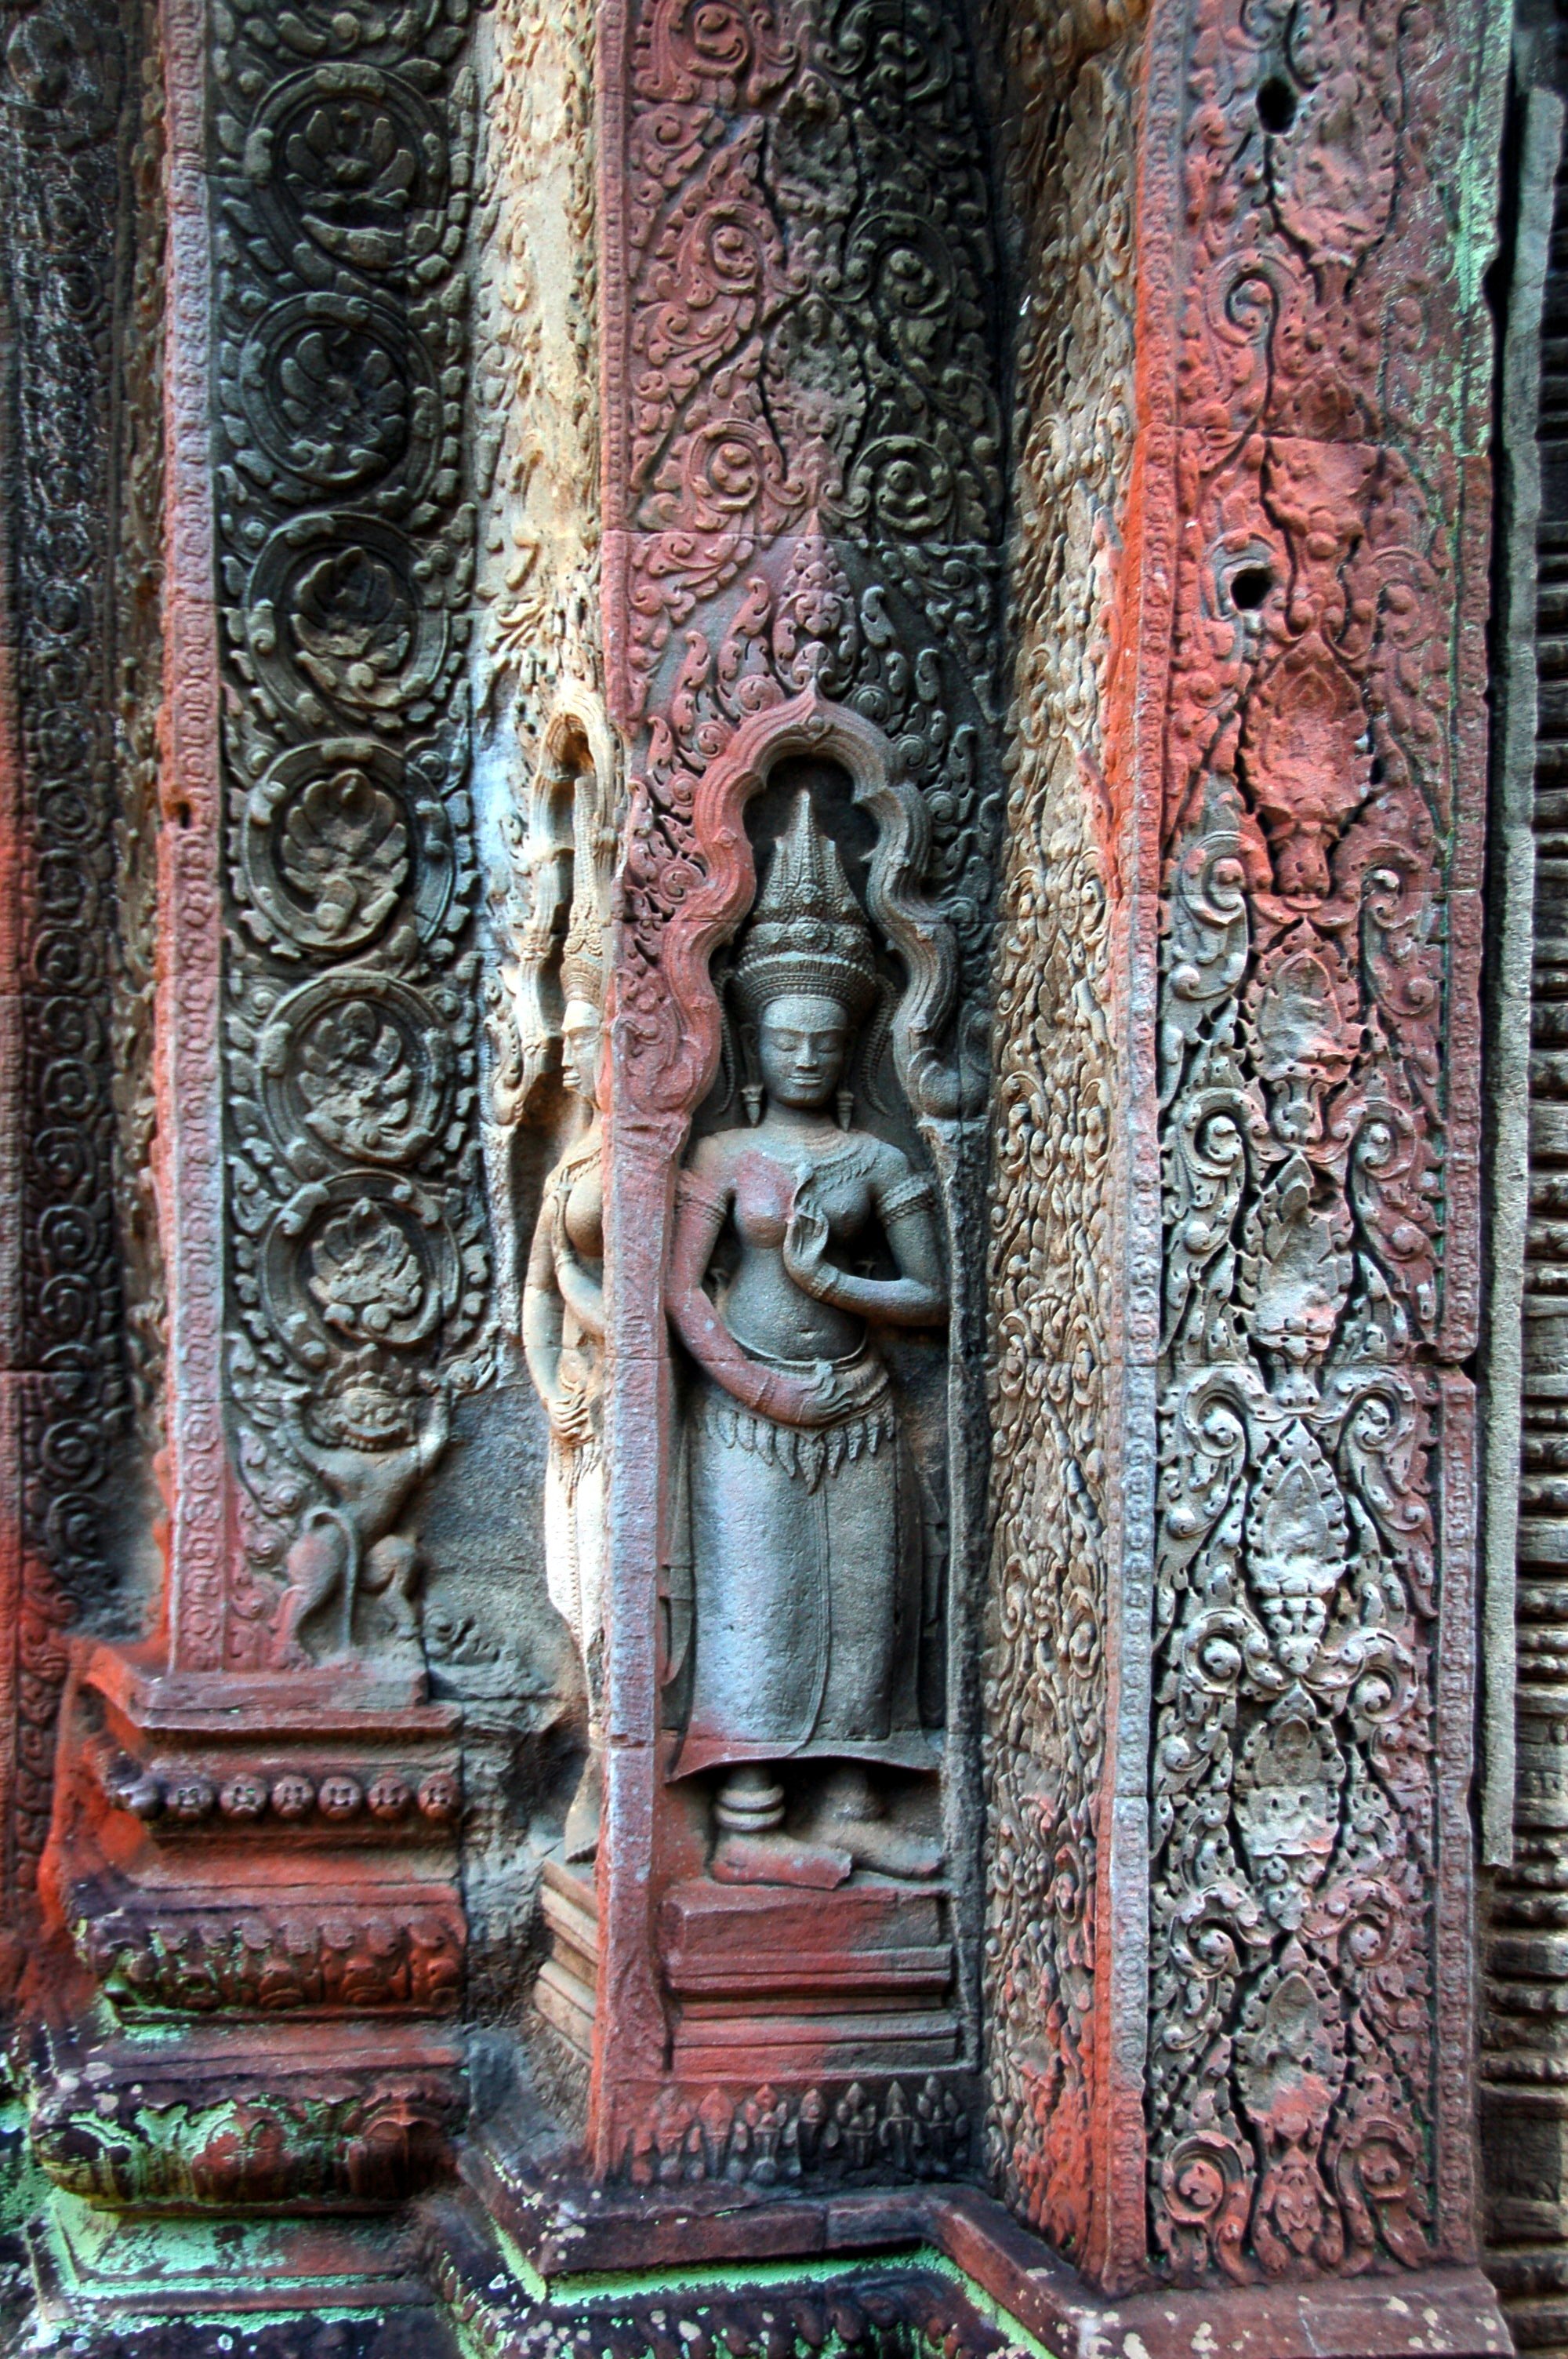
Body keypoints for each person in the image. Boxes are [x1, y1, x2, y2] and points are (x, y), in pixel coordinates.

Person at [665, 793, 946, 1886]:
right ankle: (749, 1823)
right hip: (748, 1420)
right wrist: (762, 1390)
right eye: (785, 1037)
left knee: (864, 1609)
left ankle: (851, 1804)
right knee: (763, 1605)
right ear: (753, 1038)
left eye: (826, 1040)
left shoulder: (875, 1164)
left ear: (853, 1043)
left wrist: (831, 1276)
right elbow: (684, 1296)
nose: (806, 1055)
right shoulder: (727, 1155)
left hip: (864, 1409)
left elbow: (933, 1298)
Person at [523, 907, 606, 1862]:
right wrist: (549, 1390)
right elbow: (535, 1300)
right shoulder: (569, 1165)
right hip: (579, 1414)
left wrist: (588, 1305)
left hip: (633, 1408)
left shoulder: (645, 1152)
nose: (575, 1054)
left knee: (628, 1600)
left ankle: (618, 1771)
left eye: (591, 1036)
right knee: (576, 1592)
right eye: (569, 1038)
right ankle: (601, 1751)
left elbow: (647, 1295)